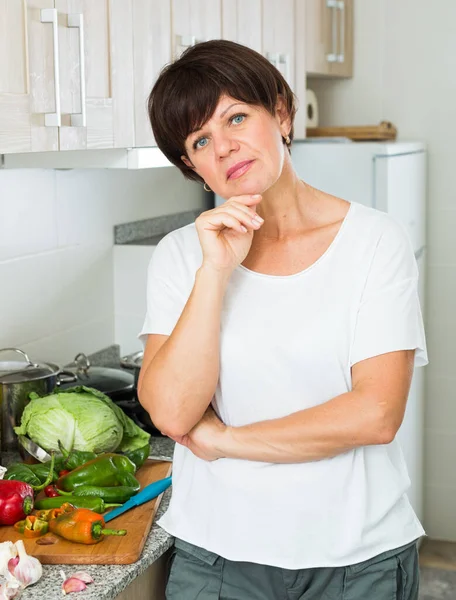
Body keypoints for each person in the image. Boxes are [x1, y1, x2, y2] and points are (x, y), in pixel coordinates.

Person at [137, 39, 428, 600]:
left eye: (237, 117)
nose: (224, 147)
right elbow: (173, 413)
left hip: (358, 561)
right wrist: (215, 272)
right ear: (191, 166)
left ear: (283, 113)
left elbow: (374, 414)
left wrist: (225, 441)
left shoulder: (374, 242)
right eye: (201, 140)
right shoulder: (182, 255)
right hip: (217, 559)